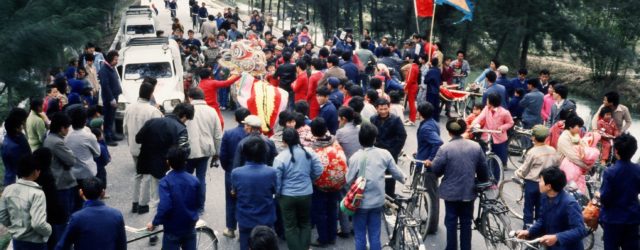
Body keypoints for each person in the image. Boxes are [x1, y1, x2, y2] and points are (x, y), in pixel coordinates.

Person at [423, 118, 489, 250]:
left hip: (451, 193)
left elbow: (436, 170)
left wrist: (430, 166)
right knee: (466, 222)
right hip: (469, 191)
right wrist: (481, 182)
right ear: (464, 130)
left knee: (451, 222)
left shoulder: (445, 148)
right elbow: (483, 169)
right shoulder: (475, 146)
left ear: (449, 132)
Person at [347, 123, 406, 250]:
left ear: (360, 139)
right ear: (374, 138)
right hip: (378, 201)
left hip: (360, 202)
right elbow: (397, 173)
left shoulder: (355, 157)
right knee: (375, 234)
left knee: (360, 235)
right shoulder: (384, 154)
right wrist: (405, 180)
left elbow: (348, 179)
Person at [136, 103, 193, 221]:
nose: (186, 122)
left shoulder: (152, 122)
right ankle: (163, 224)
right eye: (187, 119)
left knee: (154, 197)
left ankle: (151, 224)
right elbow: (184, 151)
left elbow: (138, 138)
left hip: (149, 164)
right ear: (184, 116)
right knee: (167, 198)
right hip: (168, 168)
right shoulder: (181, 129)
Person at [273, 128, 323, 250]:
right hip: (306, 193)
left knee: (290, 226)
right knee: (305, 223)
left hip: (287, 196)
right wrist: (309, 179)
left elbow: (277, 181)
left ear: (284, 141)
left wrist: (278, 194)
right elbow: (319, 170)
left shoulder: (280, 158)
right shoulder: (309, 152)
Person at [515, 167, 587, 249]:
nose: (538, 182)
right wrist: (529, 232)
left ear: (549, 186)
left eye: (541, 180)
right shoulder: (544, 197)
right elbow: (542, 220)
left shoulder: (570, 204)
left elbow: (580, 230)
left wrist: (557, 237)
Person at [147, 146, 202, 250]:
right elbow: (199, 203)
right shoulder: (194, 180)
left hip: (172, 228)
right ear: (185, 162)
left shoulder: (165, 182)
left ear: (168, 162)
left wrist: (155, 223)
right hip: (189, 226)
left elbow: (165, 206)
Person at [231, 137, 278, 250]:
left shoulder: (236, 173)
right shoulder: (272, 172)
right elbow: (276, 191)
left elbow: (234, 192)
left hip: (245, 219)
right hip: (266, 219)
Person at [123, 82, 163, 214]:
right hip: (147, 148)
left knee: (138, 174)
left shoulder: (129, 108)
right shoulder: (153, 111)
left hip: (133, 146)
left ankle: (134, 202)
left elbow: (125, 129)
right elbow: (159, 130)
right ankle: (142, 204)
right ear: (151, 94)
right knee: (147, 176)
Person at [56, 177, 125, 250]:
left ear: (81, 192)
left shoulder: (77, 218)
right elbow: (122, 245)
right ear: (103, 193)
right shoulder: (116, 215)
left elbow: (62, 246)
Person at [309, 118, 348, 247]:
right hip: (337, 183)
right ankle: (332, 236)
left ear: (313, 133)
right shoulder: (334, 142)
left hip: (320, 185)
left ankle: (323, 238)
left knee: (320, 212)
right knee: (332, 209)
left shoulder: (313, 150)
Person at [0, 156, 52, 249]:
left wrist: (14, 227)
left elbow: (2, 215)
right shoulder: (37, 193)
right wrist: (49, 230)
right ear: (35, 171)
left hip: (17, 240)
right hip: (35, 242)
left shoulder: (8, 189)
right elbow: (38, 224)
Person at [599, 134, 640, 250]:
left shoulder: (610, 172)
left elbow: (605, 197)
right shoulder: (638, 170)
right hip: (632, 217)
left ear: (616, 151)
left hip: (613, 219)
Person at [514, 125, 559, 228]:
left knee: (528, 209)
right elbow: (557, 165)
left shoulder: (532, 152)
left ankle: (527, 230)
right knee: (541, 208)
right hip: (546, 184)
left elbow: (525, 169)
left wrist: (518, 174)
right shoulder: (552, 150)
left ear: (533, 138)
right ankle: (539, 229)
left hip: (532, 183)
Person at [185, 88, 222, 213]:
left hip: (188, 150)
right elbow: (218, 135)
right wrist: (217, 153)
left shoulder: (186, 110)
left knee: (186, 178)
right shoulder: (212, 111)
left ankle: (187, 204)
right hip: (206, 149)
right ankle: (200, 206)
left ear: (190, 98)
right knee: (201, 178)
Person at [219, 108, 251, 238]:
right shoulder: (252, 134)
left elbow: (223, 155)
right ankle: (246, 229)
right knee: (248, 200)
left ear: (235, 119)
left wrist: (227, 167)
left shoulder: (228, 134)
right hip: (249, 171)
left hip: (232, 171)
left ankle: (231, 228)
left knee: (231, 199)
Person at [471, 93, 514, 182]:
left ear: (491, 102)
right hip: (487, 136)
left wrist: (502, 128)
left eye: (487, 100)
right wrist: (474, 124)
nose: (486, 101)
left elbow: (510, 123)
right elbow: (479, 118)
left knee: (497, 161)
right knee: (484, 159)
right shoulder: (486, 109)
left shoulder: (504, 112)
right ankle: (484, 179)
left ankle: (496, 180)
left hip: (499, 138)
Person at [65, 106, 100, 209]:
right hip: (87, 173)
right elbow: (97, 153)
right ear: (85, 120)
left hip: (72, 173)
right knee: (90, 201)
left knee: (75, 202)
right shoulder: (88, 136)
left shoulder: (66, 133)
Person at [370, 98, 407, 196]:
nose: (383, 111)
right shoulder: (373, 119)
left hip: (391, 152)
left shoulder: (396, 120)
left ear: (389, 108)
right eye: (381, 109)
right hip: (376, 152)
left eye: (385, 109)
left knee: (390, 176)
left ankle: (390, 196)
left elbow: (402, 136)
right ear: (376, 109)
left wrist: (395, 151)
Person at [556, 116, 591, 193]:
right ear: (570, 126)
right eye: (578, 126)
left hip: (575, 167)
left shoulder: (575, 135)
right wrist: (586, 166)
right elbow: (572, 156)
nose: (580, 129)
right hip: (565, 168)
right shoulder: (564, 138)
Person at [98, 50, 123, 145]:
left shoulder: (111, 68)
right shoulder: (104, 70)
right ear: (110, 59)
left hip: (114, 96)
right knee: (108, 118)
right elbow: (105, 85)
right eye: (115, 59)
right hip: (109, 98)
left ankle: (112, 134)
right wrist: (111, 98)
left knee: (112, 117)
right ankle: (108, 138)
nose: (117, 61)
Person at [1, 108, 31, 186]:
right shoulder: (16, 144)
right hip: (17, 180)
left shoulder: (8, 139)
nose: (24, 123)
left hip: (9, 177)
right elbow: (24, 162)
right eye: (23, 121)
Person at [416, 102, 443, 170]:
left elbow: (438, 142)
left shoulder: (426, 128)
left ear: (420, 113)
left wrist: (430, 159)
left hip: (424, 164)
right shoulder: (433, 122)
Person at [90, 127, 110, 193]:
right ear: (99, 136)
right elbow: (106, 159)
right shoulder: (101, 146)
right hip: (100, 166)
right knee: (102, 180)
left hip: (92, 166)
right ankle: (101, 192)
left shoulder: (90, 144)